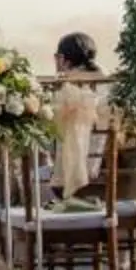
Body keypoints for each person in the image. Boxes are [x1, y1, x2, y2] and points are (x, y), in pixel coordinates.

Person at [49, 32, 108, 201]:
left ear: (63, 58)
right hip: (99, 163)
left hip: (74, 171)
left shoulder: (68, 86)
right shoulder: (104, 82)